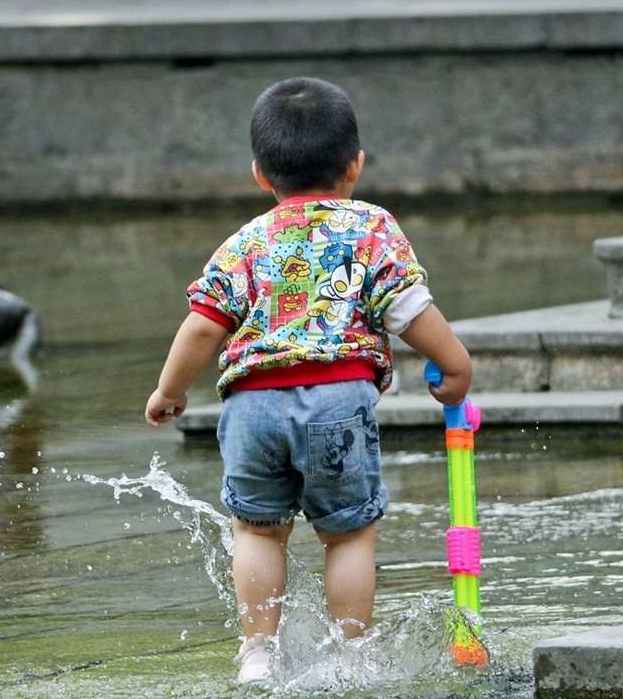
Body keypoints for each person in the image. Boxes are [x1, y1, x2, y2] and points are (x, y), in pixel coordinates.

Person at [144, 77, 473, 686]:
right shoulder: (372, 229)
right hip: (338, 402)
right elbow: (409, 310)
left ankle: (258, 654)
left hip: (251, 407)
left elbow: (201, 328)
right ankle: (352, 655)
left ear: (260, 176)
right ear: (356, 165)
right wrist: (456, 366)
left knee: (258, 531)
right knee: (347, 535)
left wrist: (170, 391)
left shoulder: (246, 242)